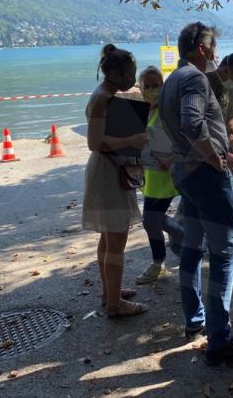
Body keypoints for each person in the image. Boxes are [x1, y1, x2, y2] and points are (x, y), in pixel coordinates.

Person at [158, 22, 233, 366]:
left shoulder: (172, 78)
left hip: (187, 175)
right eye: (214, 47)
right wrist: (214, 157)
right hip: (204, 177)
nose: (217, 54)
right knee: (224, 255)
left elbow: (181, 128)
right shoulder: (194, 78)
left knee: (192, 245)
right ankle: (220, 341)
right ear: (202, 49)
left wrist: (217, 151)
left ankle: (195, 320)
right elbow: (191, 122)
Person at [82, 44, 149, 318]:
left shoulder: (107, 95)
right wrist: (132, 140)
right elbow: (94, 143)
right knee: (116, 240)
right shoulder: (102, 98)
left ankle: (110, 291)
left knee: (108, 238)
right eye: (130, 73)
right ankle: (114, 304)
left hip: (110, 169)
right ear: (113, 72)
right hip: (108, 173)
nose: (133, 79)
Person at [135, 66, 185, 285]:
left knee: (151, 219)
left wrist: (172, 159)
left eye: (157, 85)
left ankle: (180, 241)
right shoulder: (139, 111)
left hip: (167, 175)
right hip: (149, 175)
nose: (153, 90)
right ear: (140, 88)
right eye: (148, 86)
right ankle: (160, 263)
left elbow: (184, 140)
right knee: (151, 221)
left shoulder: (169, 110)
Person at [206, 53, 233, 153]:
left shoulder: (230, 88)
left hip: (225, 146)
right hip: (207, 148)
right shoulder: (203, 84)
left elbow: (230, 115)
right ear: (225, 70)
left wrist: (232, 135)